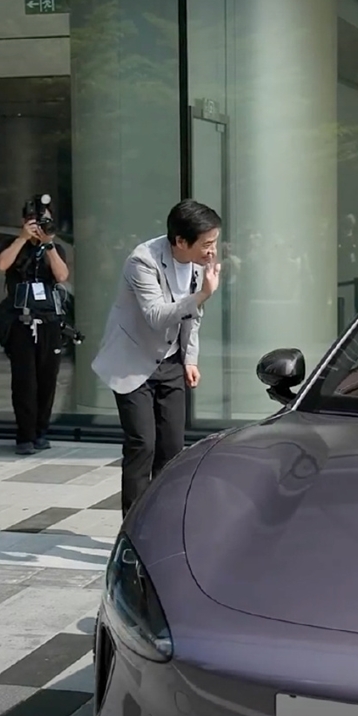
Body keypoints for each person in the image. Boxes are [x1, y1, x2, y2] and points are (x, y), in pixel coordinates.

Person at [92, 199, 222, 516]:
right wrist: (203, 294)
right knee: (142, 445)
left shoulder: (198, 264)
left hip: (171, 362)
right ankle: (134, 527)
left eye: (214, 242)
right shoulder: (142, 261)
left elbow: (193, 316)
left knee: (172, 449)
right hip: (132, 363)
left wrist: (190, 359)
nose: (212, 251)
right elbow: (156, 316)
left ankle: (163, 521)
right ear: (181, 241)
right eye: (206, 244)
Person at [0, 197, 69, 455]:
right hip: (21, 321)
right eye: (34, 220)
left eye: (45, 220)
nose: (39, 225)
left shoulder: (54, 248)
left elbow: (62, 276)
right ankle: (25, 435)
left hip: (49, 321)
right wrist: (22, 238)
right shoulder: (14, 245)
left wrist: (48, 244)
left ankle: (41, 432)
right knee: (24, 381)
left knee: (48, 380)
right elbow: (1, 265)